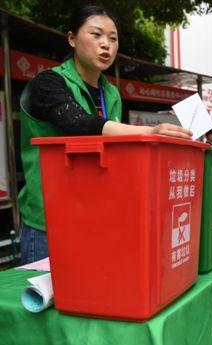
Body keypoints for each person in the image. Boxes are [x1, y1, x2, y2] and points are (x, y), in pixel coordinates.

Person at [18, 5, 193, 264]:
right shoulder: (47, 84)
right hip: (49, 221)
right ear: (72, 39)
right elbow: (77, 123)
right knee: (46, 300)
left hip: (95, 216)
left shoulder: (110, 93)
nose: (106, 45)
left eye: (113, 39)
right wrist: (149, 131)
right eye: (96, 35)